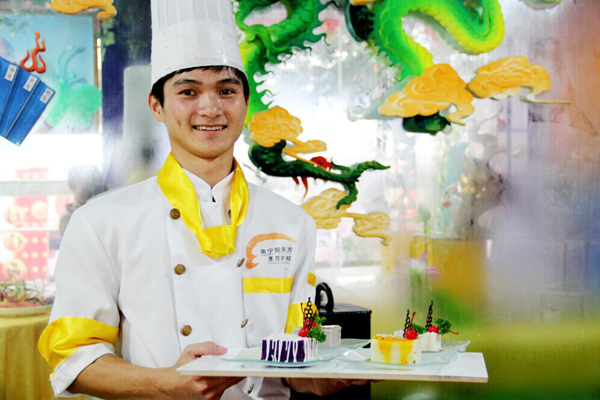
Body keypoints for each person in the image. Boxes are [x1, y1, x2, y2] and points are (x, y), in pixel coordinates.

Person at [39, 1, 366, 398]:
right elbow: (73, 359)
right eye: (188, 91)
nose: (210, 108)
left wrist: (328, 375)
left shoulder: (293, 223)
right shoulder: (101, 223)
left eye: (226, 91)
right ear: (156, 105)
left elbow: (297, 361)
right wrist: (165, 386)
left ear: (245, 102)